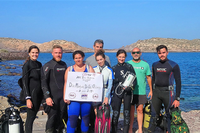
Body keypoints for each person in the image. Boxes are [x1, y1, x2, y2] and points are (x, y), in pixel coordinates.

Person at [150, 45, 181, 132]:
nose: (162, 55)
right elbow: (153, 79)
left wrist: (177, 98)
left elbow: (178, 82)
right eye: (159, 53)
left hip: (168, 93)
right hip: (156, 93)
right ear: (157, 54)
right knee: (153, 115)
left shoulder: (173, 65)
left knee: (169, 115)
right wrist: (152, 92)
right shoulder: (155, 65)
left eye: (163, 52)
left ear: (167, 52)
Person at [63, 50, 95, 133]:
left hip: (86, 99)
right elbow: (66, 83)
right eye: (76, 58)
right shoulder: (69, 69)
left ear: (83, 57)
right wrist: (65, 96)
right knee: (72, 118)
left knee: (85, 118)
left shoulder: (89, 68)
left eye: (79, 58)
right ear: (74, 59)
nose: (78, 60)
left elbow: (94, 83)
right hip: (73, 99)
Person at [41, 45, 67, 133]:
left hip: (63, 99)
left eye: (60, 53)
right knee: (52, 120)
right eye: (56, 53)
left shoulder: (64, 65)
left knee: (61, 120)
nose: (58, 54)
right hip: (52, 98)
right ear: (52, 53)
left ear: (62, 53)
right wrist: (47, 97)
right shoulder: (48, 66)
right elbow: (43, 83)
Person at [127, 48, 153, 133]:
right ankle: (130, 129)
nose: (136, 54)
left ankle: (140, 129)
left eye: (137, 52)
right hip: (130, 91)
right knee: (131, 111)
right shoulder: (128, 64)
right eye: (134, 52)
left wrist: (151, 90)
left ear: (140, 53)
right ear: (131, 54)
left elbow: (148, 78)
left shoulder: (145, 64)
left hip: (141, 91)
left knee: (140, 110)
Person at [111, 49, 136, 133]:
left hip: (127, 93)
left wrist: (130, 87)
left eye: (123, 57)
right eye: (120, 57)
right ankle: (114, 130)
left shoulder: (129, 67)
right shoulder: (114, 68)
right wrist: (117, 80)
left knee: (126, 113)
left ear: (125, 57)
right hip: (117, 92)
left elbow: (134, 79)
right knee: (115, 113)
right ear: (117, 57)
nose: (121, 58)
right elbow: (110, 81)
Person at [22, 45, 43, 133]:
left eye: (36, 52)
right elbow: (24, 82)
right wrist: (28, 98)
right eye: (33, 52)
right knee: (30, 118)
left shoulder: (39, 64)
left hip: (39, 95)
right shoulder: (27, 65)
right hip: (32, 95)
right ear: (29, 53)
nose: (35, 54)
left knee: (34, 116)